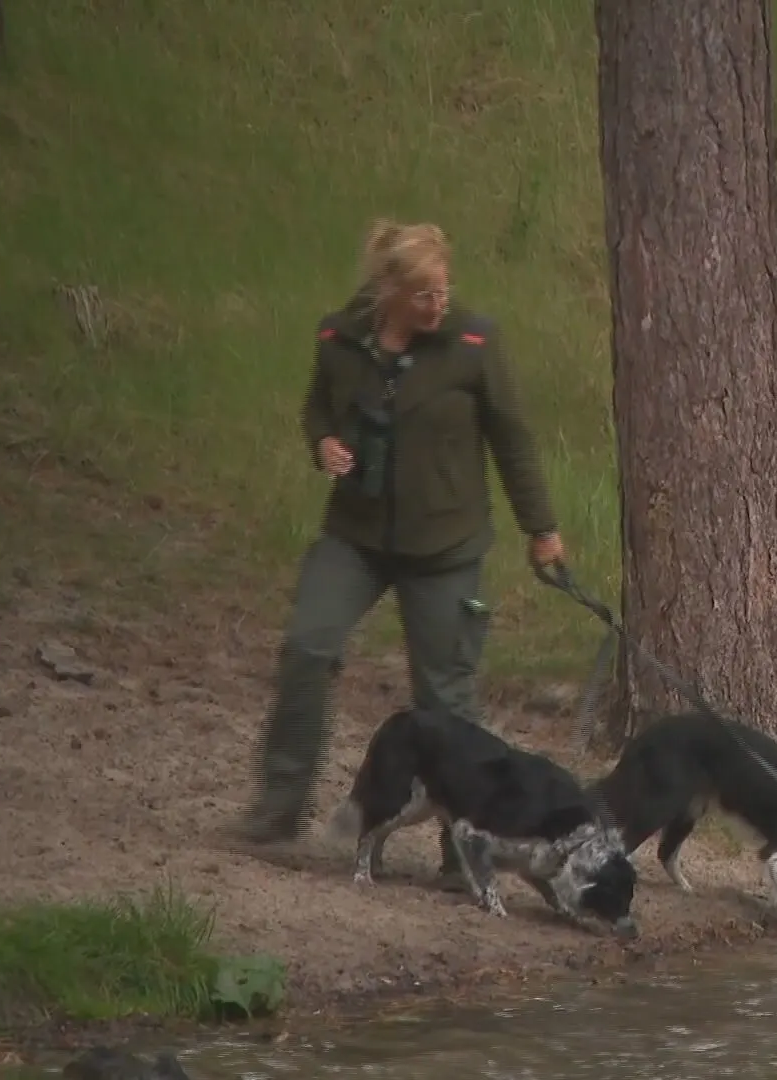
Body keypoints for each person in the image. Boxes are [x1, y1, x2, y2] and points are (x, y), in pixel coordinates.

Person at [229, 219, 565, 891]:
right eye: (423, 294)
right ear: (389, 290)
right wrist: (323, 443)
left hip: (445, 545)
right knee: (307, 647)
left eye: (444, 289)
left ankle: (462, 849)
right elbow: (317, 410)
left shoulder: (473, 344)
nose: (438, 303)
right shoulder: (340, 339)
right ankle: (281, 800)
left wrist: (542, 529)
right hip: (355, 535)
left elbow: (513, 439)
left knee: (445, 698)